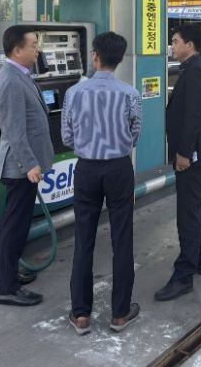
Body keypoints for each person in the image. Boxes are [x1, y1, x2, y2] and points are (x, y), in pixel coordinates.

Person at [62, 32, 142, 335]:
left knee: (83, 238)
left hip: (86, 169)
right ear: (119, 59)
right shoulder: (130, 93)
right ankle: (120, 314)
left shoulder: (74, 93)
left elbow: (67, 136)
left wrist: (88, 145)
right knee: (122, 239)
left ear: (95, 56)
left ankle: (81, 314)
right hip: (119, 168)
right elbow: (135, 133)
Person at [155, 24, 201, 302]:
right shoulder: (194, 69)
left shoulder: (196, 72)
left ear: (189, 45)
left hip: (191, 154)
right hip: (197, 152)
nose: (172, 46)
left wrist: (183, 152)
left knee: (189, 213)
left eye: (175, 41)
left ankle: (184, 276)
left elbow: (193, 116)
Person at [0, 25, 54, 306]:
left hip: (23, 166)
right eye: (33, 45)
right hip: (19, 167)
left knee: (14, 224)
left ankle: (5, 275)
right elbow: (14, 131)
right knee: (14, 227)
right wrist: (30, 164)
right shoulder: (10, 81)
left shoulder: (21, 75)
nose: (37, 50)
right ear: (17, 50)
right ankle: (7, 288)